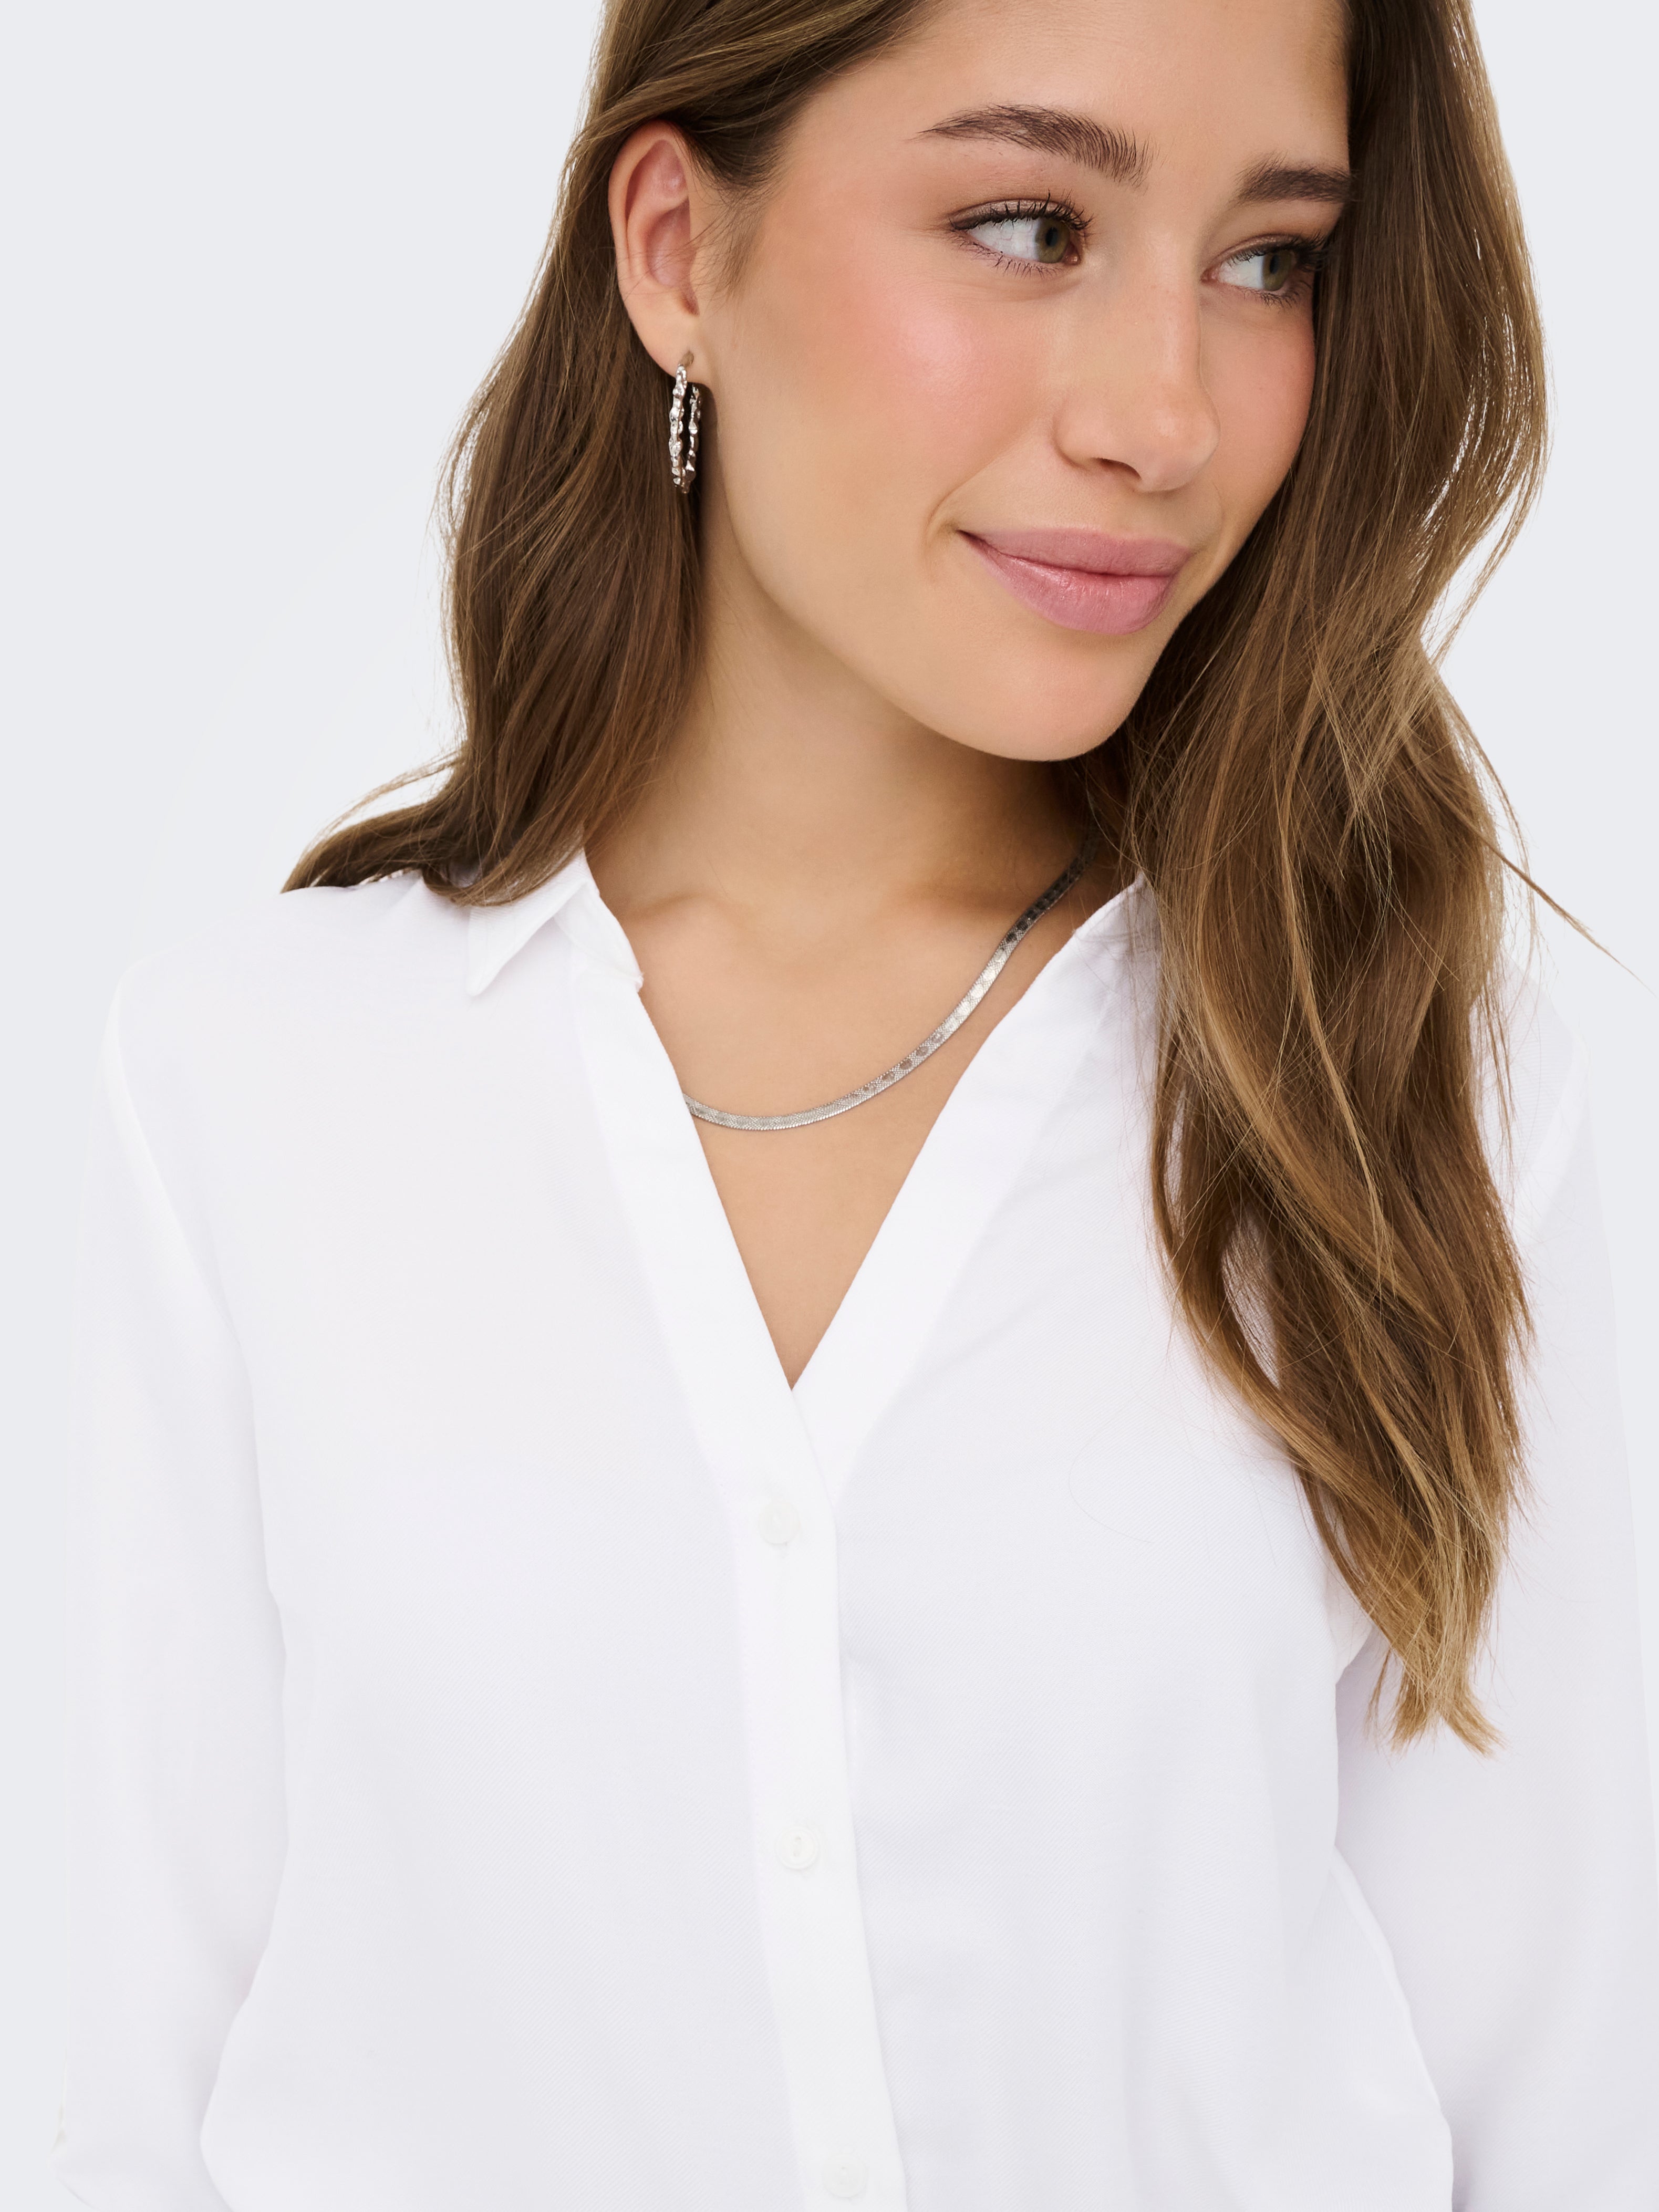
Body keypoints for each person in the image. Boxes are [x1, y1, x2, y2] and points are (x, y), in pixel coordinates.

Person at [57, 0, 1659, 2204]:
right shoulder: (247, 1091)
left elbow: (1563, 2109)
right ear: (676, 253)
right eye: (1027, 225)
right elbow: (120, 2101)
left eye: (1268, 259)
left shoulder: (1416, 1091)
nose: (1164, 415)